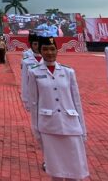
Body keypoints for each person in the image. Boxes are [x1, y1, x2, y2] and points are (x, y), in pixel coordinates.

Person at [26, 37, 89, 180]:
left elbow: (77, 101)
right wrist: (36, 129)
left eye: (52, 49)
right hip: (49, 126)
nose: (49, 52)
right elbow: (34, 103)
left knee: (75, 168)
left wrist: (83, 129)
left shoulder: (68, 72)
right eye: (45, 49)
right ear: (40, 51)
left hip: (71, 124)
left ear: (57, 50)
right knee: (56, 170)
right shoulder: (34, 72)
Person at [21, 35, 44, 111]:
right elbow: (24, 81)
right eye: (35, 44)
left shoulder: (47, 58)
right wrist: (25, 99)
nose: (37, 46)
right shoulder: (26, 58)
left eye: (39, 44)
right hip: (32, 92)